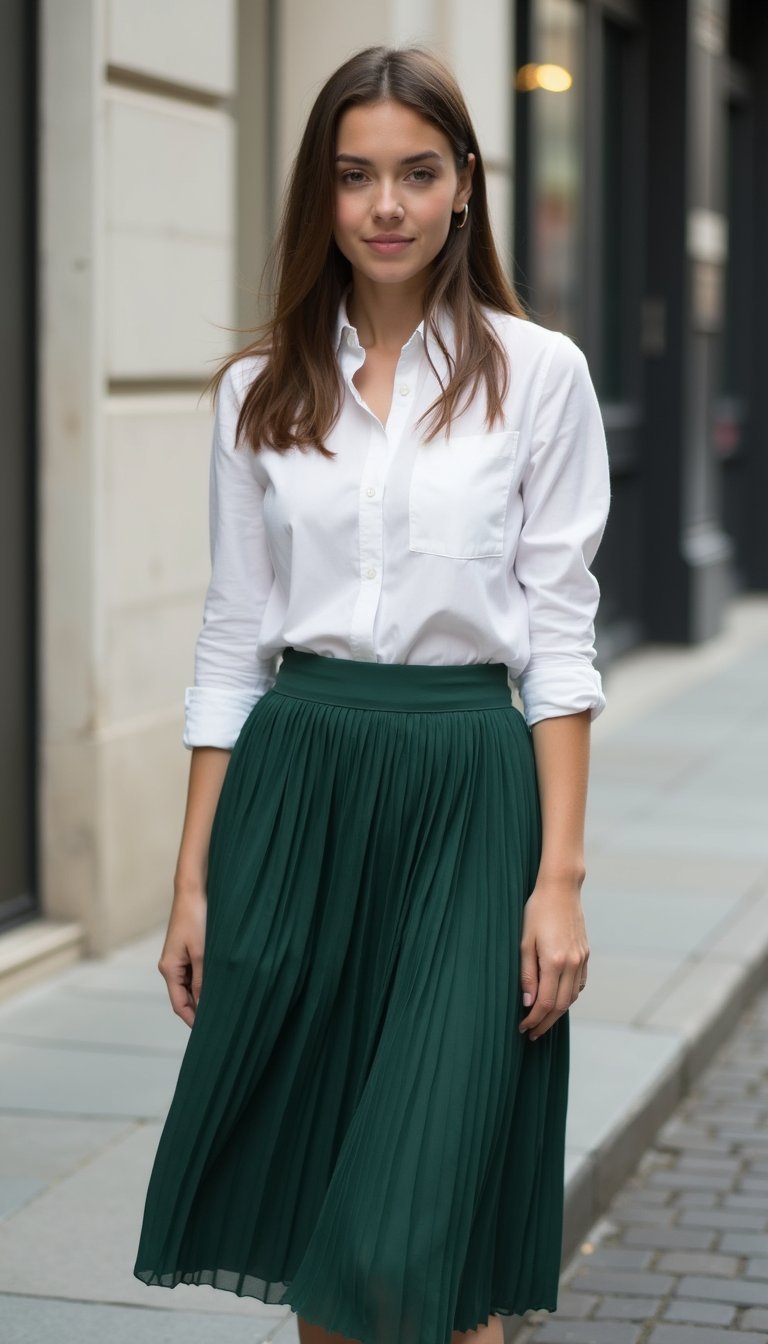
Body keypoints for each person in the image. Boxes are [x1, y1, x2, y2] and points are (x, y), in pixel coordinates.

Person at [133, 43, 610, 1344]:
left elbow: (561, 646)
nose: (386, 205)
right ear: (321, 196)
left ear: (465, 187)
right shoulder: (256, 391)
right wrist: (193, 878)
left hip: (467, 795)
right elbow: (234, 640)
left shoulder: (539, 377)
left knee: (422, 1227)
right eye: (355, 177)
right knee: (322, 1222)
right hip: (299, 788)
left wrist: (558, 879)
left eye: (415, 172)